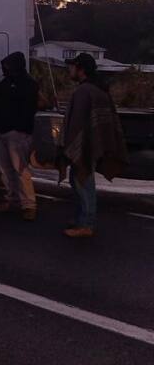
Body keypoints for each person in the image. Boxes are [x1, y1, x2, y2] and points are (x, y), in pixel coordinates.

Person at [59, 53, 128, 238]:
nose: (69, 70)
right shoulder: (98, 88)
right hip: (89, 144)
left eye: (72, 67)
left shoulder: (85, 91)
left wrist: (71, 145)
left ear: (81, 70)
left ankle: (86, 224)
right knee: (79, 181)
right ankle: (82, 218)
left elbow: (78, 125)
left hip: (85, 147)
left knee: (83, 183)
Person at [0, 52, 40, 221]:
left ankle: (29, 204)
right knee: (5, 169)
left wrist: (20, 128)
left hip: (16, 133)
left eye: (7, 66)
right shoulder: (6, 83)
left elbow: (28, 109)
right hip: (2, 131)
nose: (4, 69)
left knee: (20, 169)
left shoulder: (28, 84)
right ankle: (12, 199)